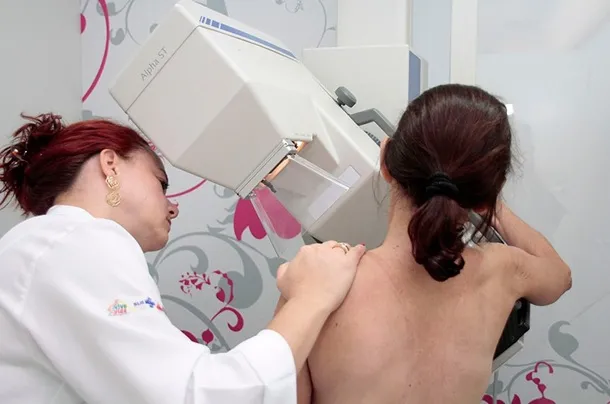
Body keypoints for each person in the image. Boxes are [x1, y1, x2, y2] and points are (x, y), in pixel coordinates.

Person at [0, 113, 366, 404]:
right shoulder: (78, 242)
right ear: (110, 165)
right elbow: (193, 395)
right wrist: (311, 298)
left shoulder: (50, 246)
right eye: (161, 184)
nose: (173, 207)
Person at [289, 84, 573, 404]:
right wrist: (491, 201)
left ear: (385, 160)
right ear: (485, 197)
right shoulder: (502, 270)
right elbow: (560, 276)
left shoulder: (316, 288)